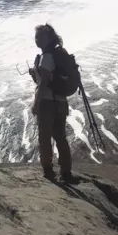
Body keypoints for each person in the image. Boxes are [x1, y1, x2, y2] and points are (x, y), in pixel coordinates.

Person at [29, 23, 73, 182]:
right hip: (61, 103)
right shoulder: (58, 54)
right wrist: (35, 74)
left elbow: (44, 83)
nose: (37, 40)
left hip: (47, 104)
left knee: (45, 137)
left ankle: (48, 171)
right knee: (61, 137)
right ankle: (66, 171)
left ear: (48, 38)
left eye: (39, 37)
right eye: (36, 37)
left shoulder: (47, 57)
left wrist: (36, 103)